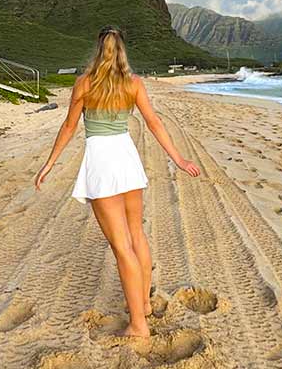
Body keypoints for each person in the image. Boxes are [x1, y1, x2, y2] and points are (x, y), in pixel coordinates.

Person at [34, 26, 201, 338]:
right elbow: (154, 122)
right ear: (122, 50)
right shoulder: (133, 83)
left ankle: (138, 325)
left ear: (98, 50)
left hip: (101, 161)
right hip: (126, 158)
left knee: (122, 246)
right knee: (137, 235)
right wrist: (179, 159)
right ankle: (145, 307)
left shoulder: (84, 83)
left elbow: (70, 126)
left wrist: (50, 163)